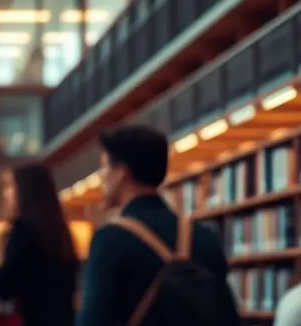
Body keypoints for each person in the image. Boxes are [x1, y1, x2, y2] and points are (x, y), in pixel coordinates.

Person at [80, 125, 240, 326]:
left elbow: (94, 320)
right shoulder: (203, 236)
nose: (101, 176)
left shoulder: (110, 240)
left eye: (104, 167)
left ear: (121, 172)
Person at [0, 162, 79, 326]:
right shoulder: (61, 231)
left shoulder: (22, 229)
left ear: (25, 190)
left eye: (10, 186)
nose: (6, 194)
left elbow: (3, 288)